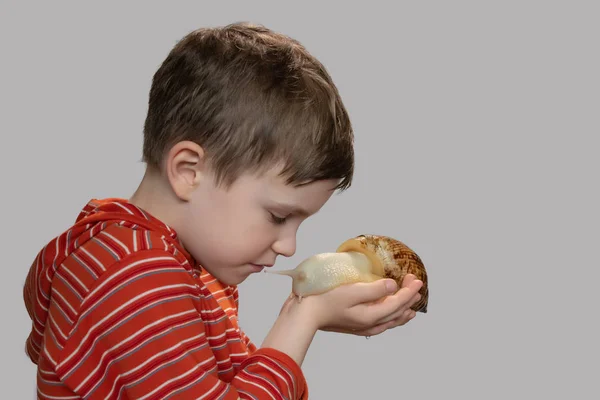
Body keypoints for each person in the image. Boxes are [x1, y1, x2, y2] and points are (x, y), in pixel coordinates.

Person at [23, 22, 423, 399]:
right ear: (188, 171)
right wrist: (302, 318)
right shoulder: (137, 276)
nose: (288, 246)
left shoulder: (146, 256)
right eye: (278, 216)